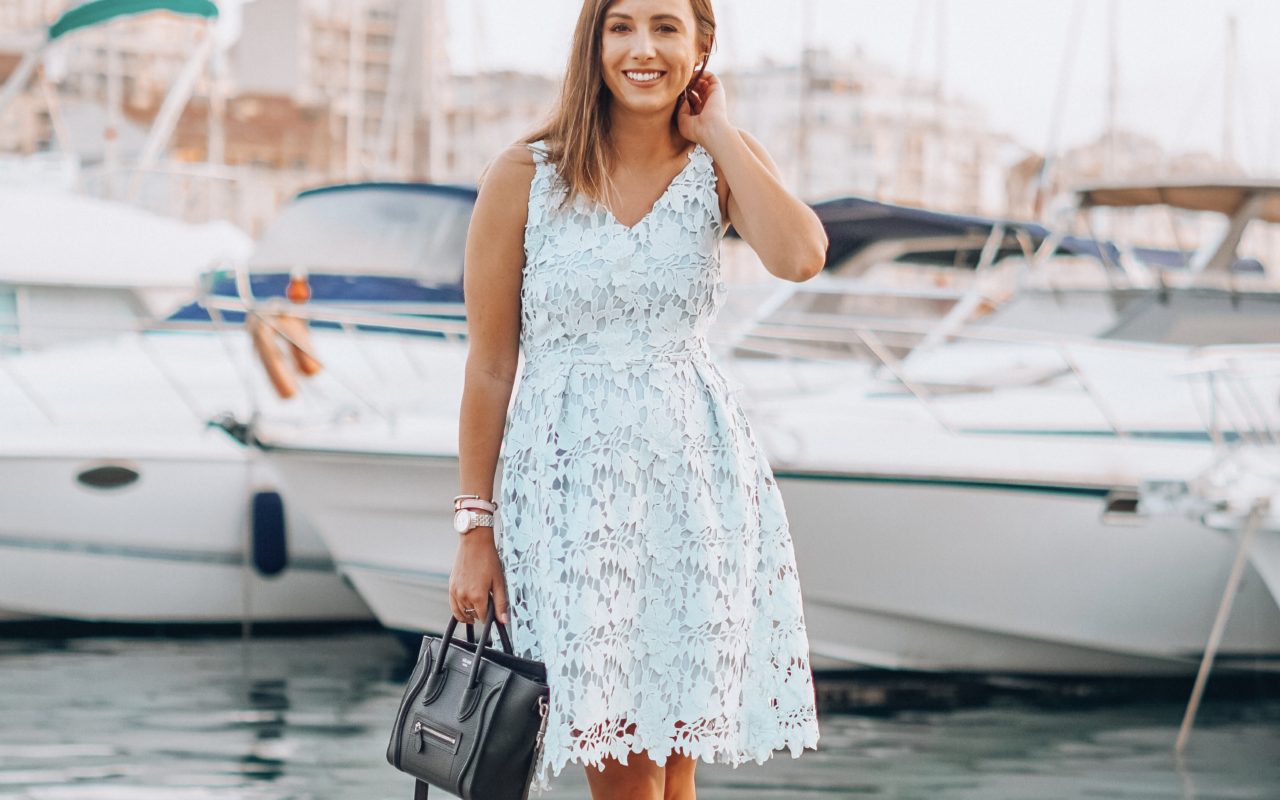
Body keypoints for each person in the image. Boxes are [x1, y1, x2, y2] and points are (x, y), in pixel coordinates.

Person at [450, 0, 826, 797]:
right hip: (571, 496)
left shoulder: (721, 163)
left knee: (675, 758)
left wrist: (718, 132)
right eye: (621, 26)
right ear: (595, 42)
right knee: (618, 755)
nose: (642, 49)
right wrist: (474, 527)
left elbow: (800, 256)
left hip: (696, 487)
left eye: (666, 27)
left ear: (702, 46)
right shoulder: (525, 174)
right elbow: (489, 365)